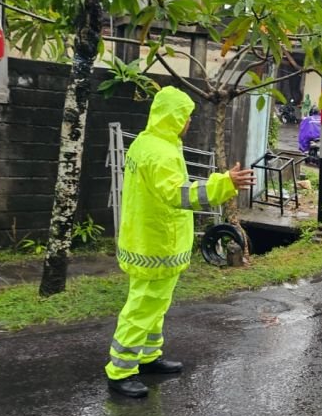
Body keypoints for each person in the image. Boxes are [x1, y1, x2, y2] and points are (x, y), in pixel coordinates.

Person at [106, 86, 256, 398]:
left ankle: (147, 357)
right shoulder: (159, 153)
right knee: (143, 307)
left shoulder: (150, 144)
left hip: (151, 241)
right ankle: (120, 372)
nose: (189, 123)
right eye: (186, 117)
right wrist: (223, 184)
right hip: (154, 243)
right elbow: (179, 193)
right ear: (173, 117)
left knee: (155, 306)